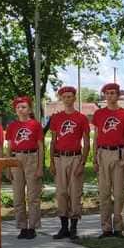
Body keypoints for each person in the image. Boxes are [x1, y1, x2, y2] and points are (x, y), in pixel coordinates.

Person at [46, 85, 90, 239]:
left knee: (75, 192)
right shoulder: (57, 118)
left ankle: (73, 228)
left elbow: (86, 142)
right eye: (64, 97)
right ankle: (63, 227)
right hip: (59, 158)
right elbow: (53, 141)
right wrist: (51, 162)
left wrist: (82, 163)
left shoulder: (81, 118)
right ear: (61, 99)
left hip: (75, 157)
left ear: (74, 98)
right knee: (62, 192)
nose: (67, 99)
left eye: (70, 96)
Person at [92, 82, 124, 239]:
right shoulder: (99, 114)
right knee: (104, 193)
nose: (110, 96)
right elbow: (95, 137)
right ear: (104, 95)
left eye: (113, 93)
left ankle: (119, 227)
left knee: (119, 193)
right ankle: (106, 228)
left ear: (118, 95)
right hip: (103, 153)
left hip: (119, 154)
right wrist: (95, 158)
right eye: (107, 93)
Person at [5, 96, 44, 240]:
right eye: (18, 107)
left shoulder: (35, 125)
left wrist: (40, 166)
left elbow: (40, 147)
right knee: (18, 196)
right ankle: (22, 227)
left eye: (24, 107)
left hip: (32, 158)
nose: (21, 110)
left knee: (33, 196)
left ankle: (33, 227)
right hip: (16, 159)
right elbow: (9, 147)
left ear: (29, 109)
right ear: (15, 110)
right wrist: (8, 167)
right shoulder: (12, 126)